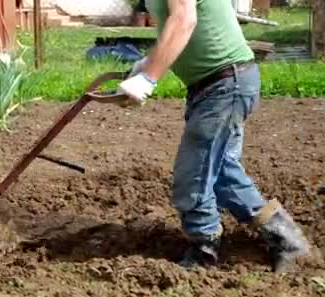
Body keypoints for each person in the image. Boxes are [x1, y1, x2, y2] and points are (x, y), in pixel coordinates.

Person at [116, 0, 310, 273]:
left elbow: (185, 19)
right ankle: (286, 238)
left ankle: (203, 250)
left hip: (225, 84)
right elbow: (194, 28)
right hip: (220, 83)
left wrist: (149, 77)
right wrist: (150, 62)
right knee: (219, 171)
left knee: (193, 170)